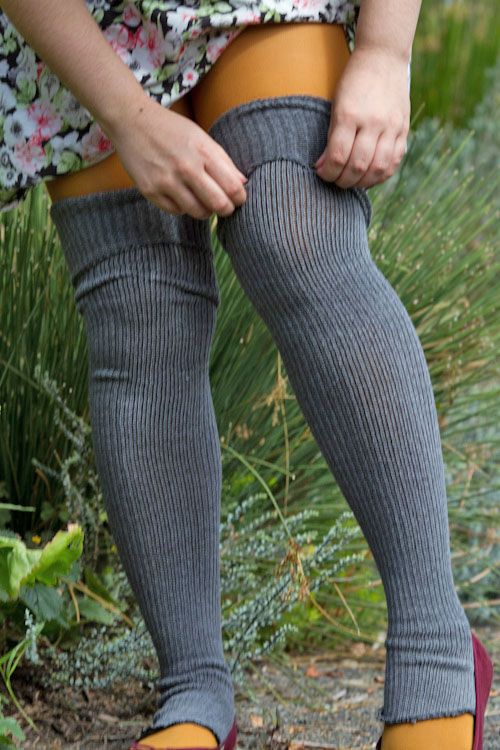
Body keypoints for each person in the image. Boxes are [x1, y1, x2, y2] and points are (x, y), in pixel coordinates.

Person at [0, 2, 493, 749]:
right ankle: (193, 691)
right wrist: (127, 118)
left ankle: (437, 657)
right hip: (87, 24)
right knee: (140, 313)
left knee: (297, 236)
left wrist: (386, 51)